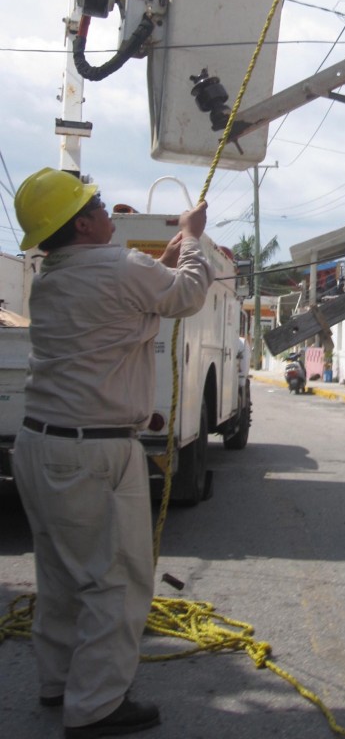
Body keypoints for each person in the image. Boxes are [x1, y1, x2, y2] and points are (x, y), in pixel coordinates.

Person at [12, 168, 215, 739]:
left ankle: (59, 683)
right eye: (97, 204)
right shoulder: (122, 269)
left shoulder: (51, 278)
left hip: (41, 444)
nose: (106, 210)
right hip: (94, 454)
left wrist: (165, 256)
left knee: (59, 574)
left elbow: (121, 309)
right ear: (81, 224)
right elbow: (187, 294)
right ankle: (97, 706)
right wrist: (192, 237)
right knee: (116, 581)